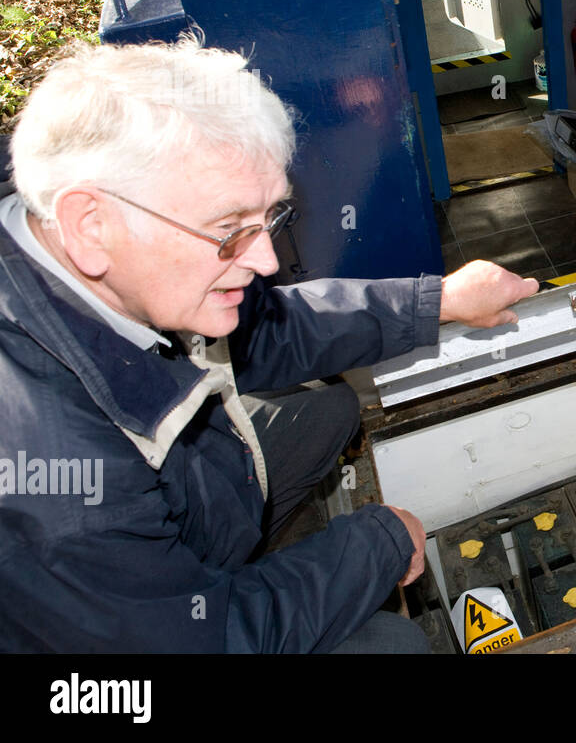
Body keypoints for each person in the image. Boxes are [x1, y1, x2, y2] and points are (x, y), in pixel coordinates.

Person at [0, 37, 538, 652]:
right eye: (230, 230)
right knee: (394, 645)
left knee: (333, 410)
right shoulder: (53, 489)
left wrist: (438, 302)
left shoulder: (97, 255)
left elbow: (269, 328)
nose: (264, 260)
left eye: (269, 220)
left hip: (175, 520)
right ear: (90, 224)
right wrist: (382, 541)